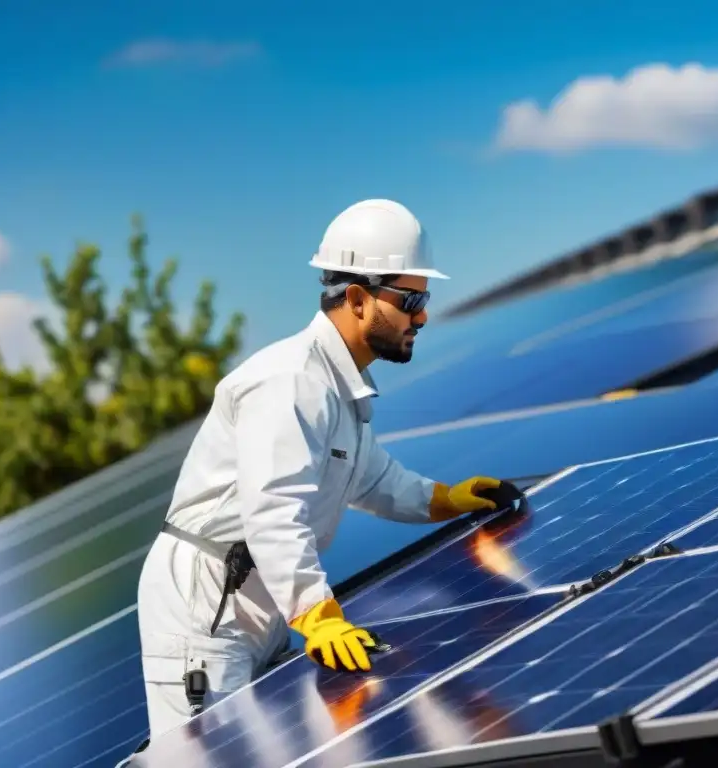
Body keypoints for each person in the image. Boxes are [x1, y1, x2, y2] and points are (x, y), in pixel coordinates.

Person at [132, 199, 507, 749]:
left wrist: (445, 499)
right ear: (357, 299)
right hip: (207, 607)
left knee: (262, 753)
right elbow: (273, 510)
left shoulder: (338, 386)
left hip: (251, 597)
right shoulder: (292, 383)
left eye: (423, 298)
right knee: (214, 758)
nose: (422, 315)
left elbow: (374, 480)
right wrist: (317, 613)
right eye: (411, 299)